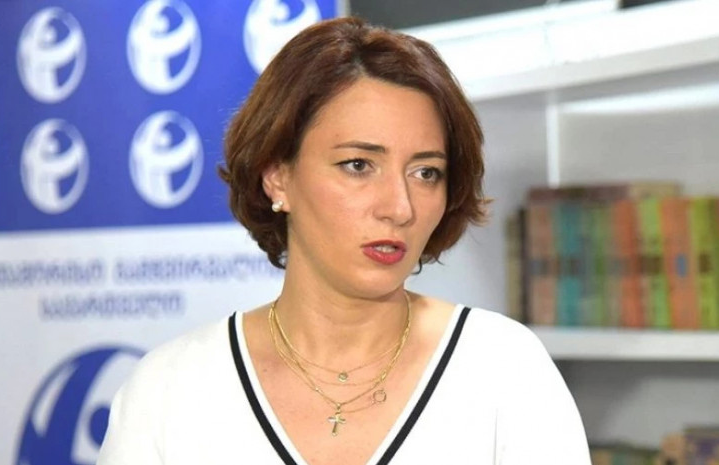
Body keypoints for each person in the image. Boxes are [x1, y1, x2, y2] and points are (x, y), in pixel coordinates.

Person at [97, 16, 590, 465]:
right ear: (277, 176)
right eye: (358, 165)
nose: (399, 207)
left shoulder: (504, 370)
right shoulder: (169, 390)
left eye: (426, 172)